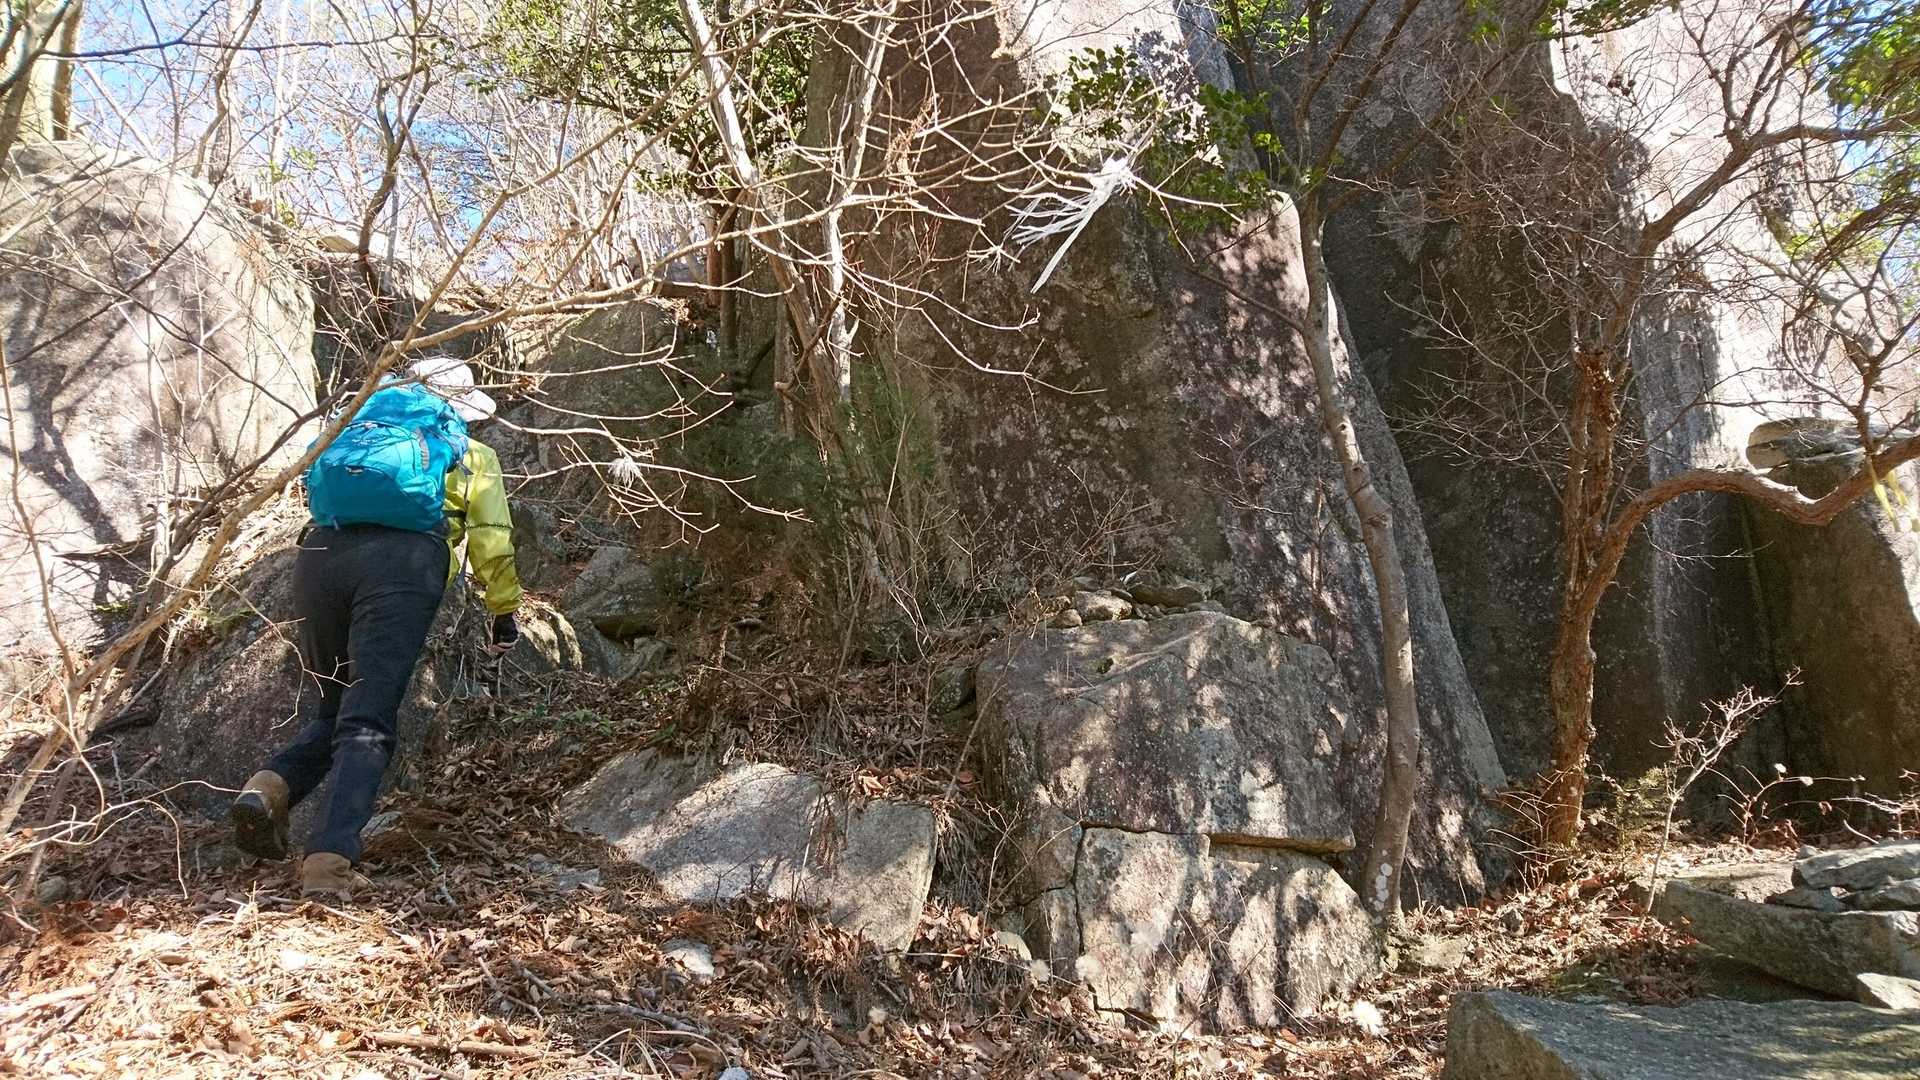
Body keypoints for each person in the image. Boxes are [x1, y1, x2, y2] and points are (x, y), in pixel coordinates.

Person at [228, 357, 523, 900]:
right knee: (367, 720)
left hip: (321, 553)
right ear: (461, 409)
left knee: (333, 710)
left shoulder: (357, 427)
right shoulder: (470, 452)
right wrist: (504, 612)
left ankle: (268, 788)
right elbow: (491, 539)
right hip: (402, 564)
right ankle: (329, 864)